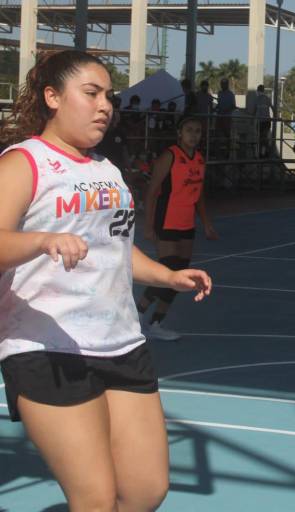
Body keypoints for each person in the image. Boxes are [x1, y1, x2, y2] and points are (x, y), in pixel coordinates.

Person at [0, 50, 212, 512]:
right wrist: (41, 241)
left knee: (144, 490)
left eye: (109, 97)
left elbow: (116, 249)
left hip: (121, 343)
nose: (105, 106)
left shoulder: (106, 170)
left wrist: (167, 275)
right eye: (91, 93)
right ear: (52, 97)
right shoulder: (24, 163)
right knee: (94, 499)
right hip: (46, 347)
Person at [137, 115, 218, 341]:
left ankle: (155, 322)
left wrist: (207, 223)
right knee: (169, 271)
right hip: (166, 220)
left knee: (181, 277)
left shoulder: (200, 160)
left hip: (186, 223)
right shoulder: (170, 156)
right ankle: (138, 314)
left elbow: (198, 195)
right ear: (180, 133)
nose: (194, 135)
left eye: (198, 131)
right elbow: (152, 190)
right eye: (189, 130)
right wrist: (148, 225)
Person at [251, 84, 273, 158]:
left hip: (262, 122)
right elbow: (272, 108)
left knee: (261, 138)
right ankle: (264, 152)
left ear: (258, 91)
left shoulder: (257, 99)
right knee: (263, 138)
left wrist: (252, 118)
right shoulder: (267, 98)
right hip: (266, 121)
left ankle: (263, 153)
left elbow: (254, 111)